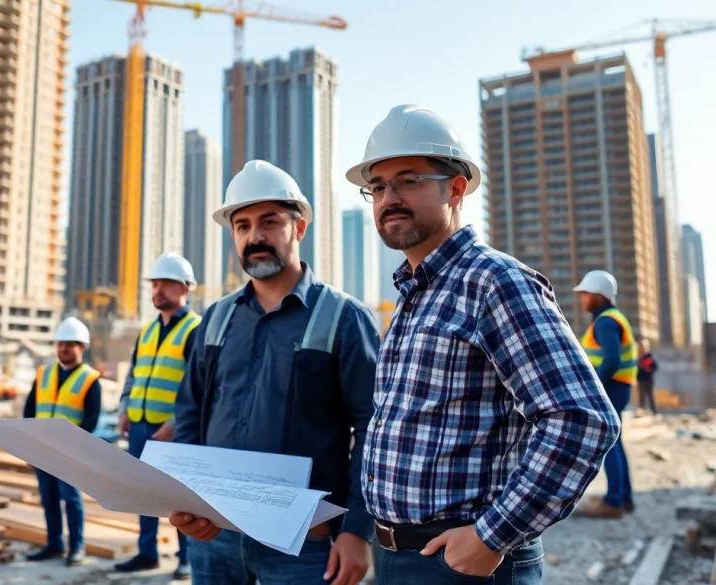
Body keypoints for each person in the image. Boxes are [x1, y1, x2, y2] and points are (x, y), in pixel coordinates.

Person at [344, 105, 620, 583]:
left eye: (408, 180)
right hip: (396, 555)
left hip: (463, 562)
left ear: (455, 189)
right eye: (379, 186)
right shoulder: (413, 296)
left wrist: (493, 535)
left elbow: (582, 419)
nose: (389, 197)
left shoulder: (495, 283)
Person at [169, 160, 381, 585]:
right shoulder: (216, 319)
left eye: (269, 222)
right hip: (216, 538)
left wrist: (357, 530)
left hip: (306, 543)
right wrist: (185, 499)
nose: (255, 237)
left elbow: (373, 429)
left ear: (299, 229)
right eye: (242, 226)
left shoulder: (344, 317)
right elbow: (191, 414)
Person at [115, 253, 200, 581]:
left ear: (187, 287)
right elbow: (133, 375)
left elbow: (200, 384)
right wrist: (123, 410)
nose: (158, 289)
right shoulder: (147, 331)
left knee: (181, 498)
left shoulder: (195, 329)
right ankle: (147, 553)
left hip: (173, 432)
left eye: (166, 283)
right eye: (154, 283)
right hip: (139, 425)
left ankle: (186, 557)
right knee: (143, 495)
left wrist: (178, 423)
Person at [23, 317, 102, 567]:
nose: (64, 348)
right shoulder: (43, 374)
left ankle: (77, 547)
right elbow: (29, 412)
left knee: (71, 500)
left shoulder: (90, 379)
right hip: (43, 451)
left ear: (82, 347)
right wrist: (28, 447)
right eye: (61, 343)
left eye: (70, 344)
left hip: (70, 453)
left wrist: (76, 448)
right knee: (48, 499)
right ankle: (54, 544)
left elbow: (91, 420)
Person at [575, 270, 638, 518]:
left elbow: (611, 360)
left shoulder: (606, 322)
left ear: (599, 295)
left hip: (611, 387)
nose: (582, 299)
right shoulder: (612, 318)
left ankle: (613, 502)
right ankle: (624, 498)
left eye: (586, 294)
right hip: (618, 387)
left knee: (609, 444)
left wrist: (593, 387)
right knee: (616, 443)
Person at [636, 339, 659, 415]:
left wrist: (648, 369)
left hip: (648, 380)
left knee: (650, 396)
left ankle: (654, 411)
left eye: (643, 347)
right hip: (640, 379)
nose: (641, 348)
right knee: (641, 397)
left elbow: (655, 367)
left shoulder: (650, 357)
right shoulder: (638, 358)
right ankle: (641, 411)